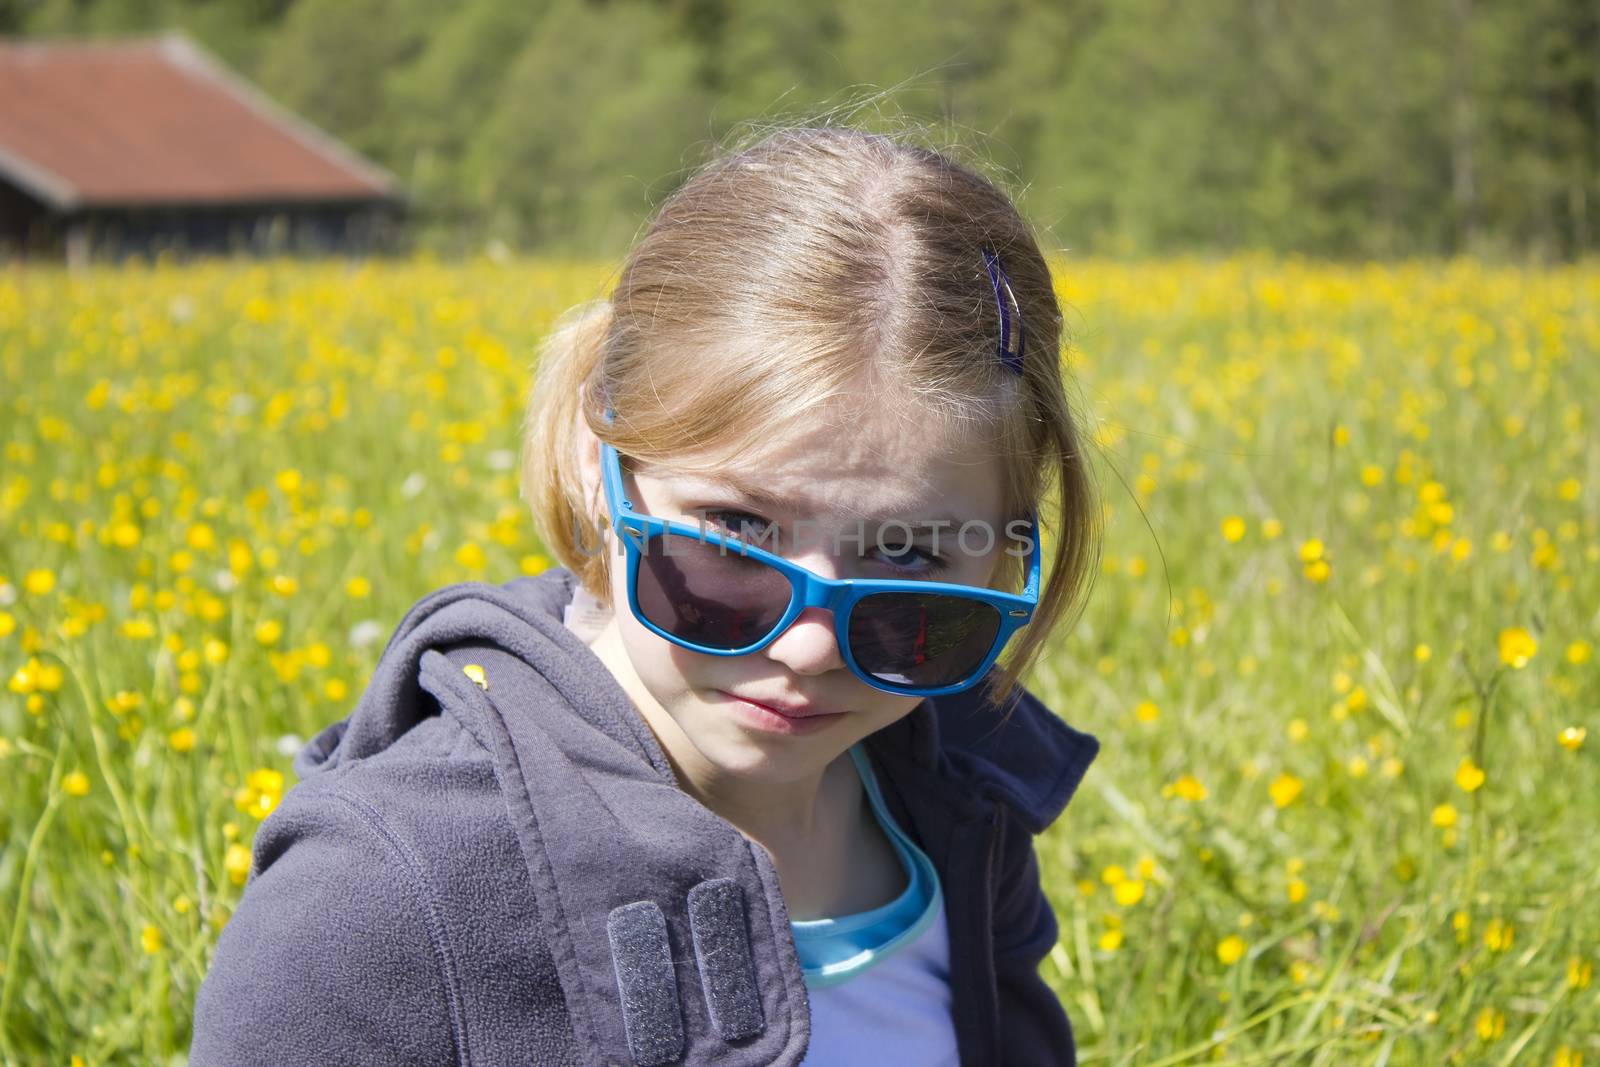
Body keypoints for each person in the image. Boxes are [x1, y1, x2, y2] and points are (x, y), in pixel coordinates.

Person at [189, 123, 1104, 1066]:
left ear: (1007, 550)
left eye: (910, 554)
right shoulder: (379, 896)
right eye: (737, 532)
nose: (809, 649)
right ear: (601, 467)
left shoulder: (957, 789)